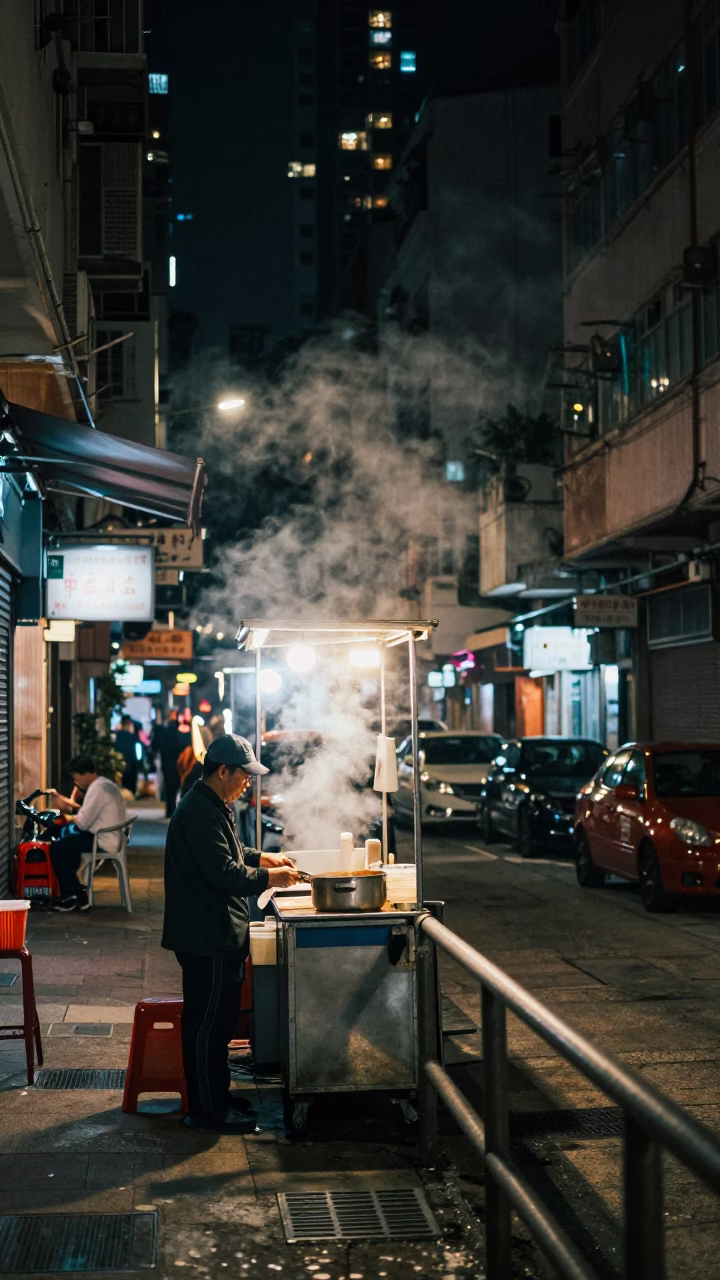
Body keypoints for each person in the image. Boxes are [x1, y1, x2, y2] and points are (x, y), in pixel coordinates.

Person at [162, 733, 300, 1132]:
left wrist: (262, 856)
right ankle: (207, 1111)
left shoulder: (211, 803)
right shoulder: (201, 812)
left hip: (215, 934)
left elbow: (232, 854)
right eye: (244, 775)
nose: (249, 783)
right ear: (222, 771)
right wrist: (270, 876)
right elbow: (223, 872)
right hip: (207, 936)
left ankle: (216, 1097)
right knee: (207, 1028)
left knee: (217, 1026)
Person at [47, 754, 127, 912]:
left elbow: (83, 823)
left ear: (83, 773)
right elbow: (87, 815)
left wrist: (65, 816)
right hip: (110, 836)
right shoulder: (105, 784)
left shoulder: (97, 788)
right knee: (67, 845)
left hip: (102, 840)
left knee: (57, 848)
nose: (75, 781)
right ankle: (78, 892)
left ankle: (72, 897)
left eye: (75, 776)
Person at [160, 710, 184, 819]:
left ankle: (169, 810)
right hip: (176, 763)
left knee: (169, 788)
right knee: (175, 788)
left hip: (167, 763)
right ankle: (173, 810)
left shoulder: (165, 730)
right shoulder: (178, 731)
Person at [114, 714, 139, 796]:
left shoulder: (117, 736)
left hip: (119, 765)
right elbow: (138, 754)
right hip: (132, 765)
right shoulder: (133, 737)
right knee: (131, 787)